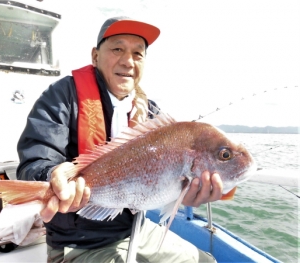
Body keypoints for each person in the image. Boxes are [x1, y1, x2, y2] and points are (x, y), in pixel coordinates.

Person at [17, 16, 223, 263]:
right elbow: (34, 162)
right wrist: (51, 176)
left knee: (205, 261)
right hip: (78, 241)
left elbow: (160, 182)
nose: (128, 61)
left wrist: (184, 193)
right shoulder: (63, 96)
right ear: (95, 56)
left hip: (136, 229)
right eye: (117, 49)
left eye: (138, 54)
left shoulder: (150, 112)